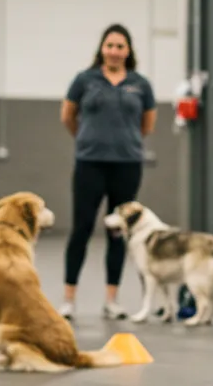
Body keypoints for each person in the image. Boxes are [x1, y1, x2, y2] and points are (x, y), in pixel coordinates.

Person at [59, 24, 157, 320]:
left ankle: (111, 300)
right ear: (102, 49)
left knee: (118, 233)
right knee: (81, 229)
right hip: (89, 163)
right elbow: (67, 116)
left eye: (120, 46)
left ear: (128, 51)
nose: (114, 51)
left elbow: (147, 125)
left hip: (127, 165)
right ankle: (68, 299)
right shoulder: (84, 80)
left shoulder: (141, 84)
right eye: (110, 45)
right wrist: (87, 139)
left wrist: (125, 143)